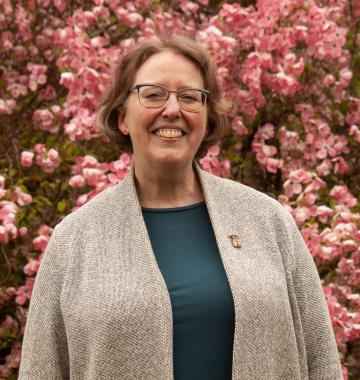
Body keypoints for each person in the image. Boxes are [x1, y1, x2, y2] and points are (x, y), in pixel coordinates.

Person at [18, 34, 343, 380]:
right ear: (122, 117)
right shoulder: (74, 240)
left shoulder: (267, 220)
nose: (172, 110)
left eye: (189, 97)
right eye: (153, 94)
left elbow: (320, 358)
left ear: (206, 119)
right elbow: (41, 369)